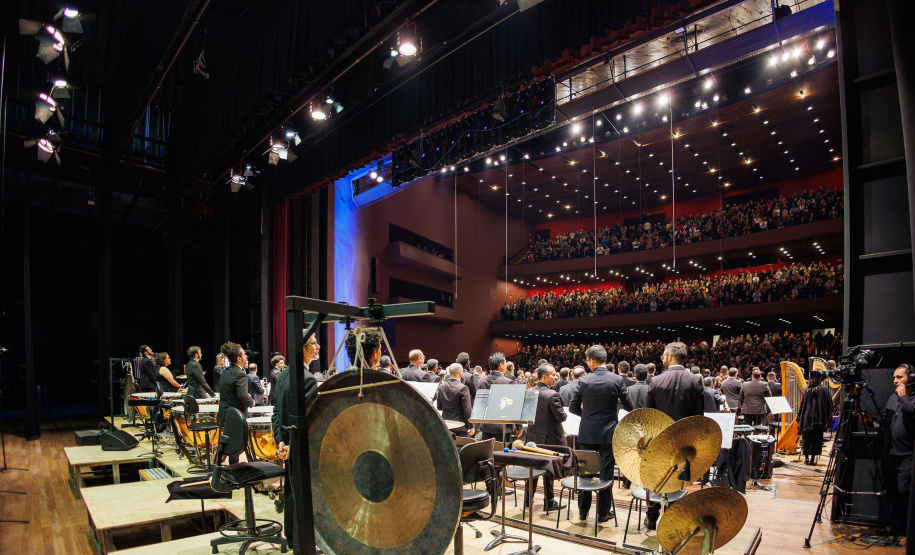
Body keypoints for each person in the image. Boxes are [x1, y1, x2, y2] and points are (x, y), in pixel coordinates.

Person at [644, 341, 705, 530]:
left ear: (670, 356)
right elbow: (699, 417)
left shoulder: (655, 381)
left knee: (657, 478)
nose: (662, 357)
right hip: (684, 442)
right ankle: (671, 520)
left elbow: (648, 415)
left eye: (663, 354)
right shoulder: (696, 380)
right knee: (678, 480)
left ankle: (651, 517)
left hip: (660, 441)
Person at [570, 345, 634, 523]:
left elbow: (573, 408)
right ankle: (603, 513)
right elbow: (629, 406)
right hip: (609, 434)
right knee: (606, 474)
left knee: (585, 472)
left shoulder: (584, 380)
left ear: (591, 360)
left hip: (587, 434)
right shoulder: (616, 380)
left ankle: (583, 512)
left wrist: (588, 416)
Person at [273, 332, 321, 554]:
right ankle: (303, 546)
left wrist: (281, 441)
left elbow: (277, 413)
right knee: (303, 493)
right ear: (303, 348)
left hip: (287, 444)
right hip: (299, 446)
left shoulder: (284, 374)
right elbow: (304, 421)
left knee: (292, 490)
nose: (318, 346)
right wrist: (292, 444)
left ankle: (292, 539)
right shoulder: (308, 378)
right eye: (314, 343)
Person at [525, 363, 567, 512]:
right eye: (553, 375)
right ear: (544, 376)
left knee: (533, 470)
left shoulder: (529, 392)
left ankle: (527, 499)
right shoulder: (552, 394)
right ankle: (549, 502)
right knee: (548, 471)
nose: (555, 377)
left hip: (532, 437)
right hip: (549, 439)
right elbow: (561, 417)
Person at [881, 364, 915, 535]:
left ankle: (909, 530)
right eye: (894, 377)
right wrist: (872, 421)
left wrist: (904, 398)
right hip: (890, 453)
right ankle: (895, 526)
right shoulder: (893, 397)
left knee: (905, 493)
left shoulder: (909, 398)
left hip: (907, 455)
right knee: (891, 492)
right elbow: (885, 420)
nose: (895, 381)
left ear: (912, 378)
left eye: (899, 377)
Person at [477, 352, 518, 443]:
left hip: (485, 425)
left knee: (487, 450)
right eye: (505, 363)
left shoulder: (481, 381)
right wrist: (519, 427)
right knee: (502, 451)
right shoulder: (508, 382)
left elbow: (479, 405)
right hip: (503, 426)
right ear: (501, 365)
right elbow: (513, 406)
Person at [796, 370, 831, 465]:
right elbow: (829, 404)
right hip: (818, 418)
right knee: (816, 439)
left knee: (806, 438)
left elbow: (803, 405)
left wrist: (800, 417)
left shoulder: (806, 389)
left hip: (806, 418)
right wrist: (828, 417)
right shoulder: (824, 389)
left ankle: (806, 458)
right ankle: (812, 459)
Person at [437, 363, 474, 437]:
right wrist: (471, 426)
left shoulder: (441, 387)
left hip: (446, 425)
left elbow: (439, 407)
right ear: (460, 372)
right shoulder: (463, 388)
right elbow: (467, 410)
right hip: (460, 426)